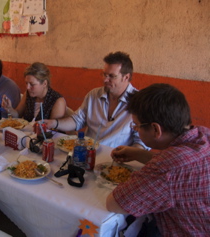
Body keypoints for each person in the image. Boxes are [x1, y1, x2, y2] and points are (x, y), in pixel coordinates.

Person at [106, 83, 210, 236]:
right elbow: (178, 171)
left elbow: (115, 204)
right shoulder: (203, 134)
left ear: (156, 129)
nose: (135, 129)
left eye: (136, 125)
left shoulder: (167, 167)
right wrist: (137, 154)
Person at [44, 51, 146, 148]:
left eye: (111, 76)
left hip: (115, 160)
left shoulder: (139, 102)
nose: (105, 80)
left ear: (126, 77)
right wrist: (54, 123)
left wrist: (129, 155)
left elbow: (141, 142)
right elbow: (77, 120)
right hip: (88, 152)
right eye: (104, 74)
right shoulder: (94, 95)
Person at [1, 62, 66, 122]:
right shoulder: (28, 94)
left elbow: (54, 129)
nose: (27, 87)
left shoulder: (57, 100)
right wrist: (9, 109)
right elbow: (18, 114)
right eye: (26, 83)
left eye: (32, 84)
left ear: (44, 83)